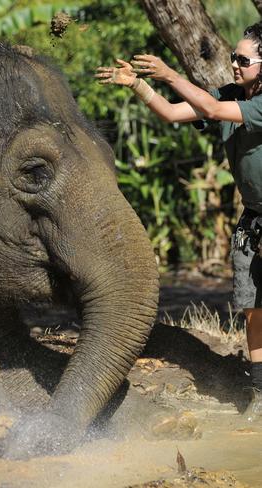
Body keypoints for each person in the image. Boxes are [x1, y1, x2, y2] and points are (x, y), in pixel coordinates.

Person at [95, 21, 262, 421]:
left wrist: (170, 73)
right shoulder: (232, 94)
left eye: (242, 59)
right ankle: (259, 393)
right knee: (255, 309)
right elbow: (172, 113)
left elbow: (210, 109)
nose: (234, 65)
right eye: (233, 58)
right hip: (253, 220)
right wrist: (137, 85)